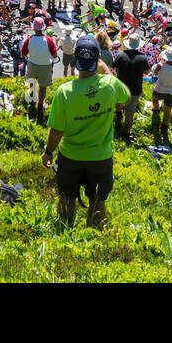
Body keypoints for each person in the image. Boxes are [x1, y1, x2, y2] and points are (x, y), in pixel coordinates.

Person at [42, 38, 130, 229]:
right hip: (101, 156)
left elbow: (56, 130)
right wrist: (106, 70)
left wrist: (48, 151)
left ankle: (63, 234)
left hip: (70, 156)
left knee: (67, 197)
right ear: (98, 59)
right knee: (98, 201)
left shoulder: (64, 92)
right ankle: (95, 240)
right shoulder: (109, 84)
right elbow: (126, 97)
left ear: (75, 59)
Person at [21, 17, 59, 122]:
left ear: (33, 28)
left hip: (32, 64)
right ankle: (40, 105)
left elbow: (23, 54)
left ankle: (32, 101)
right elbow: (55, 55)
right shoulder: (49, 40)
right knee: (42, 87)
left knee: (32, 83)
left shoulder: (29, 39)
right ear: (43, 28)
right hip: (45, 66)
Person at [112, 34, 149, 141]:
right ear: (138, 45)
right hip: (135, 89)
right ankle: (125, 133)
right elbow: (147, 71)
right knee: (130, 113)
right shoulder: (143, 57)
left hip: (121, 87)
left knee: (118, 103)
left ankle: (118, 116)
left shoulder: (121, 55)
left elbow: (116, 69)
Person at [149, 47, 172, 139]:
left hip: (159, 88)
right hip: (171, 91)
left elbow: (154, 74)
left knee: (154, 98)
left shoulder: (160, 65)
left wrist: (161, 64)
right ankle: (164, 128)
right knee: (168, 111)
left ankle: (156, 109)